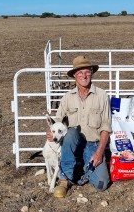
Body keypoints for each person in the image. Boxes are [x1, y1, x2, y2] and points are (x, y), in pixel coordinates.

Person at [47, 55, 112, 198]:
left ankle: (82, 167)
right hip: (73, 144)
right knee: (71, 133)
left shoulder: (102, 95)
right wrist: (51, 134)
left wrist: (99, 152)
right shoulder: (67, 97)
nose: (84, 75)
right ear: (74, 76)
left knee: (102, 184)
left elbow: (106, 127)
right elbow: (57, 122)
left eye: (87, 71)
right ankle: (64, 179)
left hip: (93, 145)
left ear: (91, 73)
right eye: (80, 72)